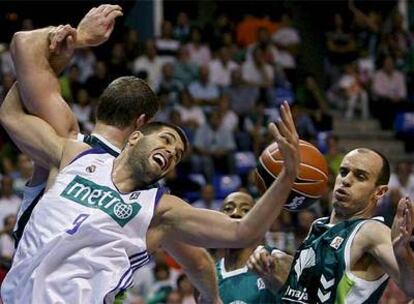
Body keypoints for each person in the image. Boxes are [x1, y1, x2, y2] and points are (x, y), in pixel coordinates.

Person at [1, 82, 300, 303]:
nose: (171, 152)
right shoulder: (77, 155)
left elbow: (242, 232)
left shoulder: (160, 209)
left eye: (178, 155)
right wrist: (58, 50)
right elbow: (11, 116)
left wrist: (287, 176)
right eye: (167, 140)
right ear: (134, 137)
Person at [8, 6, 219, 302]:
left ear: (100, 105)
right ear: (142, 124)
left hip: (26, 284)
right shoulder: (150, 197)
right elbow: (197, 261)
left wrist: (76, 39)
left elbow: (22, 44)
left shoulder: (67, 140)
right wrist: (214, 299)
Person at [247, 148, 414, 302]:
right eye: (343, 172)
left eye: (360, 176)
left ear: (379, 192)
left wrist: (401, 253)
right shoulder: (319, 226)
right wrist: (270, 267)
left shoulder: (371, 231)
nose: (346, 180)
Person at [216, 191, 293, 303]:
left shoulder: (276, 260)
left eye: (246, 210)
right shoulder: (209, 277)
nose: (235, 213)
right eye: (228, 209)